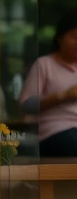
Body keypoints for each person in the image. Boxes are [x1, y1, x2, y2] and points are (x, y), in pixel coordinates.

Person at [20, 11, 77, 157]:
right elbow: (27, 105)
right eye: (74, 36)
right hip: (55, 132)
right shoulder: (44, 64)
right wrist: (63, 95)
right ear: (60, 38)